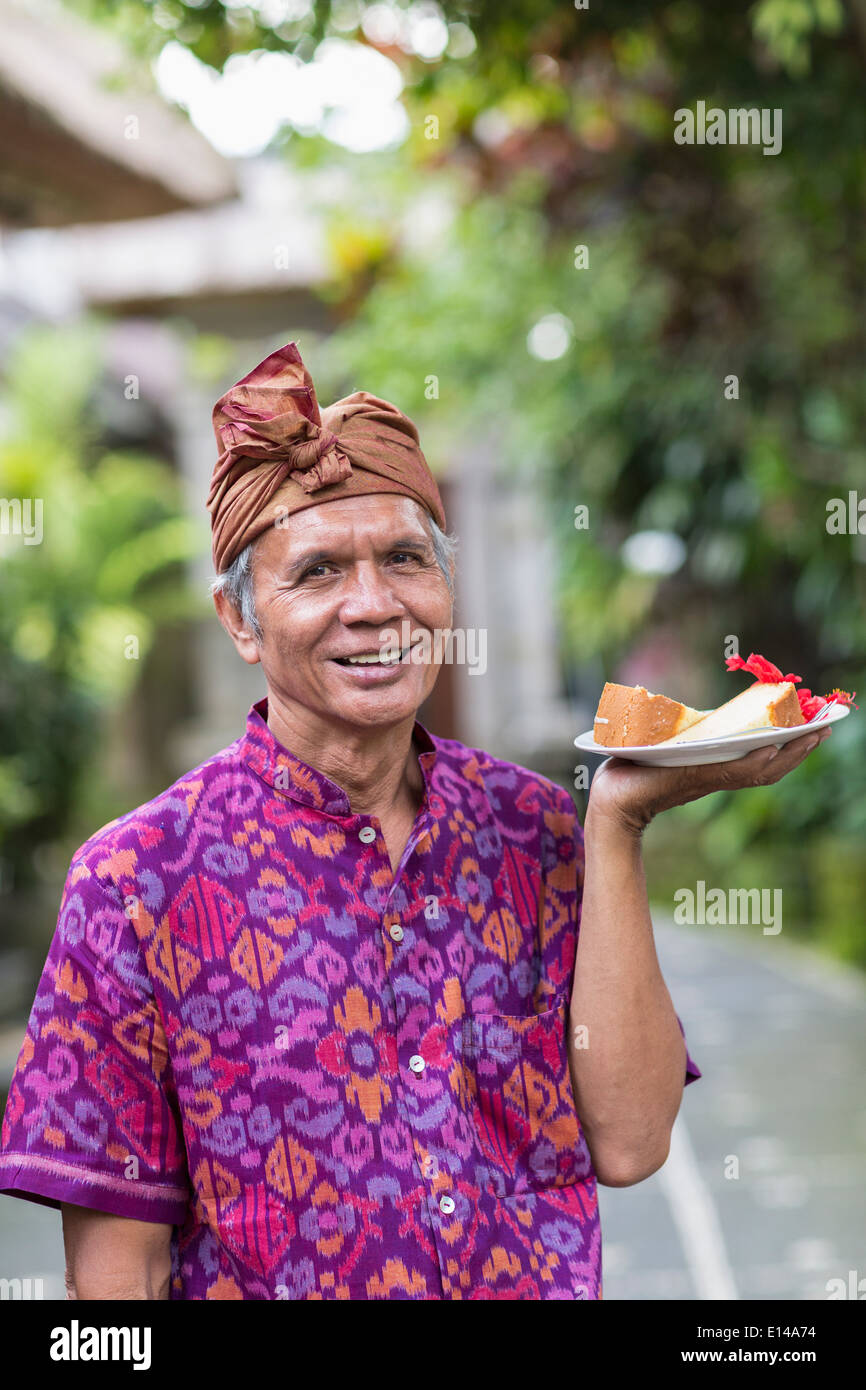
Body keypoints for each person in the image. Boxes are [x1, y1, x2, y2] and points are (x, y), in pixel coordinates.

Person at [0, 342, 829, 1300]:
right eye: (316, 573)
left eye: (403, 558)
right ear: (240, 621)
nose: (373, 604)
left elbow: (634, 1143)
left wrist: (618, 824)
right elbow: (114, 1285)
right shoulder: (135, 883)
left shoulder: (534, 827)